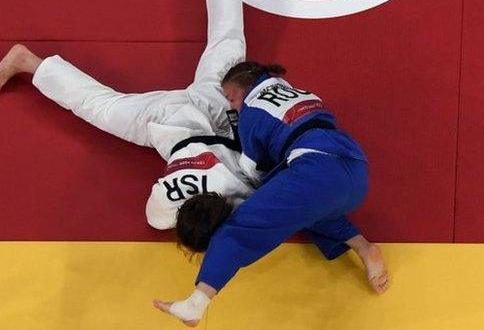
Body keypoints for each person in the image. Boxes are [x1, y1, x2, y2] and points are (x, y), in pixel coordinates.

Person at [0, 0, 264, 228]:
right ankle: (29, 62)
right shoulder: (176, 194)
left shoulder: (246, 190)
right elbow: (156, 218)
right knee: (99, 105)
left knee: (228, 43)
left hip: (217, 106)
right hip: (167, 118)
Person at [153, 34, 390, 327]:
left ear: (240, 92)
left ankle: (196, 302)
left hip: (316, 171)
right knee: (301, 211)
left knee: (240, 228)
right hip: (353, 170)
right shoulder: (302, 93)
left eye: (230, 98)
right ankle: (365, 248)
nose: (231, 105)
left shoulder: (251, 112)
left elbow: (252, 169)